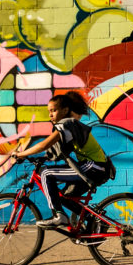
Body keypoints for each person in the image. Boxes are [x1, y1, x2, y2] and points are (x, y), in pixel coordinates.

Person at [14, 92, 110, 227]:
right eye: (49, 111)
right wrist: (42, 157)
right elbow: (56, 151)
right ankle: (96, 220)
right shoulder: (68, 127)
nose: (50, 115)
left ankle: (58, 215)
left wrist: (21, 154)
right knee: (63, 196)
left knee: (46, 174)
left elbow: (44, 145)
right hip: (93, 167)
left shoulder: (67, 123)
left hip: (93, 167)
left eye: (53, 110)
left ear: (65, 110)